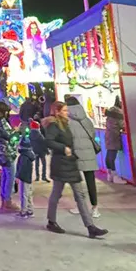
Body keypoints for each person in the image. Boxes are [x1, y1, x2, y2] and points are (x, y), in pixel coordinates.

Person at [42, 102, 107, 239]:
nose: (67, 112)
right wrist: (63, 148)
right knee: (56, 193)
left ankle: (90, 226)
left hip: (70, 163)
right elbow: (48, 141)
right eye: (65, 110)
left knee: (80, 195)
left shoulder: (66, 124)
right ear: (58, 112)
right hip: (60, 164)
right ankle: (51, 221)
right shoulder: (54, 125)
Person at [65, 94, 101, 218]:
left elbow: (67, 138)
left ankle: (80, 205)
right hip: (89, 153)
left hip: (76, 154)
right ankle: (95, 207)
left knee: (77, 182)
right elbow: (93, 134)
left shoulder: (68, 121)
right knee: (91, 181)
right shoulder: (87, 120)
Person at [15, 119, 37, 217]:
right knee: (29, 192)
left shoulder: (23, 157)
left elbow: (21, 167)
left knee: (23, 193)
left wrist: (17, 176)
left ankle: (23, 211)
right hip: (28, 177)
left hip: (24, 176)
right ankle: (30, 209)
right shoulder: (29, 155)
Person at [104, 99, 128, 183]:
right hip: (114, 136)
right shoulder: (119, 113)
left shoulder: (110, 111)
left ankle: (109, 175)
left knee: (109, 155)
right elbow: (123, 125)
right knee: (112, 156)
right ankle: (115, 177)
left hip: (108, 135)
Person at [29, 116, 48, 182]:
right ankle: (44, 176)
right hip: (41, 152)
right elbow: (44, 143)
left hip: (35, 151)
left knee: (37, 164)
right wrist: (47, 151)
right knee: (44, 164)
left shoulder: (30, 135)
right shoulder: (40, 135)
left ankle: (37, 177)